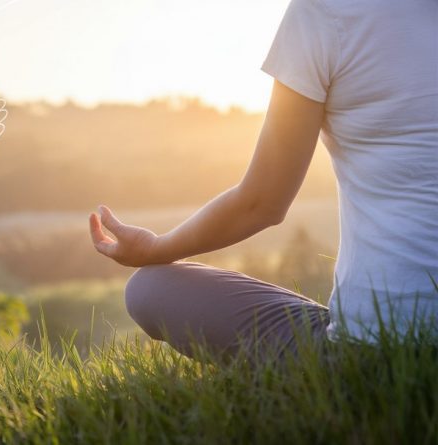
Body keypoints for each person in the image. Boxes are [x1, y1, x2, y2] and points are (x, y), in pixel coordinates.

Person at [90, 0, 438, 361]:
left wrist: (155, 248)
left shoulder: (326, 11)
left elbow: (261, 204)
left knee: (151, 288)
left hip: (376, 352)